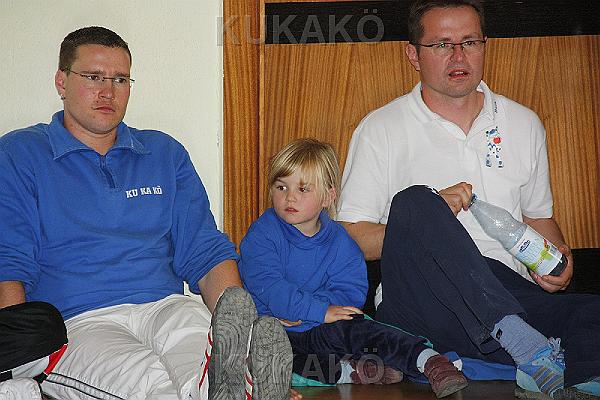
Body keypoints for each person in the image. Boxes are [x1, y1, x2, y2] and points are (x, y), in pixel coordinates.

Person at [0, 26, 296, 400]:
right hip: (79, 321)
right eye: (93, 77)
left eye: (120, 79)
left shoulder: (164, 153)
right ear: (62, 81)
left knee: (199, 355)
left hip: (167, 307)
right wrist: (14, 353)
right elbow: (9, 263)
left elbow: (206, 254)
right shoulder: (20, 154)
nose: (108, 92)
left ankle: (237, 381)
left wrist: (247, 331)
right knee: (153, 385)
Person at [338, 1, 600, 399]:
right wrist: (429, 218)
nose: (458, 56)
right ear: (413, 55)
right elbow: (351, 238)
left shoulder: (523, 122)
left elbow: (538, 218)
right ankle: (523, 345)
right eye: (442, 44)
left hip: (509, 292)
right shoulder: (380, 129)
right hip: (421, 298)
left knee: (592, 311)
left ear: (484, 45)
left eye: (470, 42)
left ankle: (560, 375)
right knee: (416, 201)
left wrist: (558, 262)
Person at [238, 138, 469, 398]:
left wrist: (320, 312)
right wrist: (316, 310)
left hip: (322, 326)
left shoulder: (339, 240)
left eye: (303, 189)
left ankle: (428, 361)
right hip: (279, 331)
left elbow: (351, 290)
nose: (290, 197)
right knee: (275, 359)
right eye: (281, 187)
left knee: (362, 328)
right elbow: (270, 287)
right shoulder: (262, 234)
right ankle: (349, 373)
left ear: (328, 196)